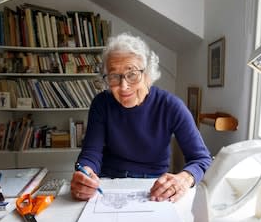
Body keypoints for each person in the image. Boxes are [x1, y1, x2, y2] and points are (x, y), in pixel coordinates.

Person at [70, 33, 212, 202]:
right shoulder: (101, 104)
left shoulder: (171, 105)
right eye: (114, 76)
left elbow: (201, 159)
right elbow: (91, 152)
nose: (123, 86)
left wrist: (184, 178)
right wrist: (85, 173)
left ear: (148, 75)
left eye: (132, 74)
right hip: (108, 183)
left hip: (153, 186)